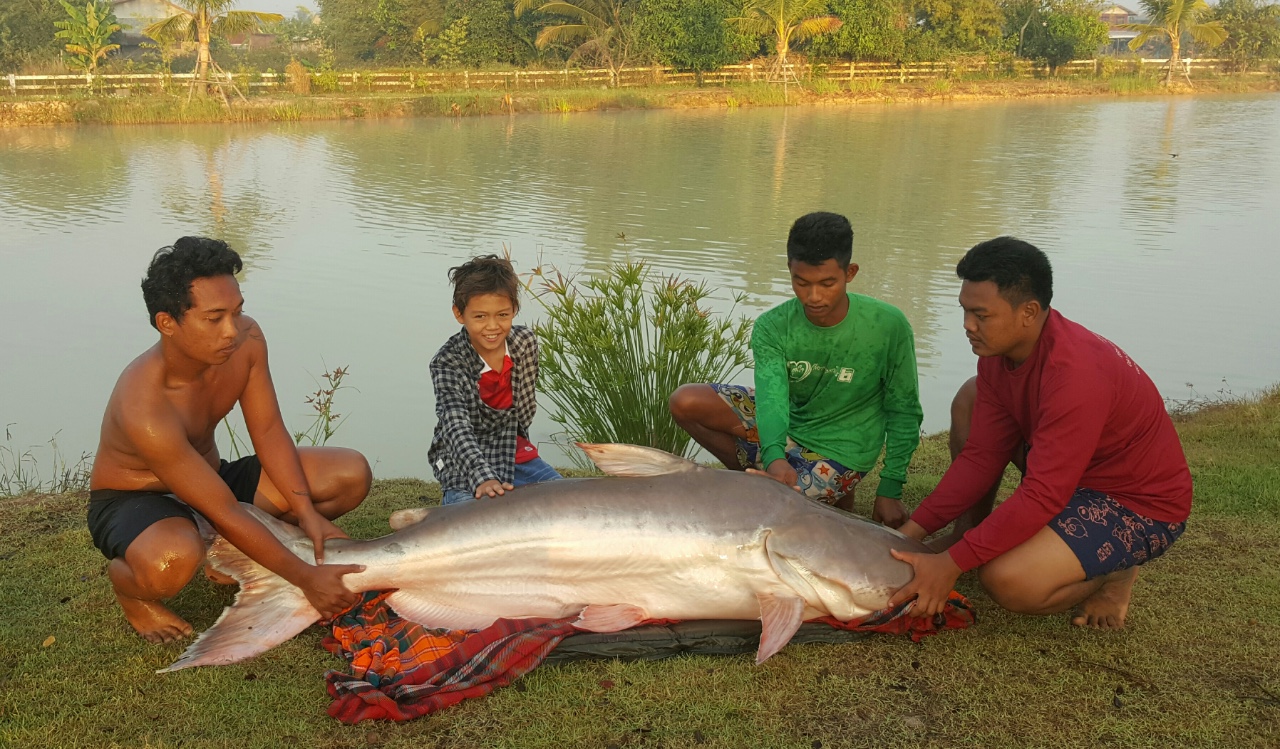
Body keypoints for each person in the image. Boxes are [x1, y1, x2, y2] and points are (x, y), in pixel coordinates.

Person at [889, 237, 1192, 630]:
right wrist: (910, 535)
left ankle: (1114, 573)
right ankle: (970, 536)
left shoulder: (1076, 374)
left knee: (1008, 580)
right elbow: (981, 456)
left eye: (981, 314)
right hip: (1071, 477)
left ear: (1029, 312)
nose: (967, 325)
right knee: (971, 399)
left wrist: (950, 565)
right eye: (964, 311)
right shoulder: (1000, 355)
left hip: (1136, 504)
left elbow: (1044, 493)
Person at [88, 237, 372, 644]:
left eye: (236, 312)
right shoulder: (144, 404)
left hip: (211, 477)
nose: (232, 331)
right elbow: (222, 509)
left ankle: (228, 555)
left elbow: (269, 430)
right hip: (134, 499)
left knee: (348, 472)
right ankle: (131, 590)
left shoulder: (247, 339)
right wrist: (306, 577)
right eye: (214, 318)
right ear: (167, 322)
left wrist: (305, 511)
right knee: (172, 560)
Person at [669, 212, 923, 523]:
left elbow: (904, 410)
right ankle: (760, 475)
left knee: (765, 513)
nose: (813, 297)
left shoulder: (888, 325)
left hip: (844, 448)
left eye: (827, 283)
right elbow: (772, 397)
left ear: (850, 273)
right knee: (686, 401)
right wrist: (775, 457)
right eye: (801, 283)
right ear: (790, 270)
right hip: (791, 421)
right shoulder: (772, 326)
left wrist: (890, 487)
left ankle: (820, 490)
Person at [428, 255, 561, 506]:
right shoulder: (447, 362)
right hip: (461, 454)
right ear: (459, 314)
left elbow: (524, 410)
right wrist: (483, 477)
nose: (492, 326)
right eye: (479, 317)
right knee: (469, 515)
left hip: (512, 446)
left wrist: (514, 447)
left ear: (514, 310)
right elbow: (455, 426)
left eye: (502, 314)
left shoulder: (525, 343)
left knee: (563, 499)